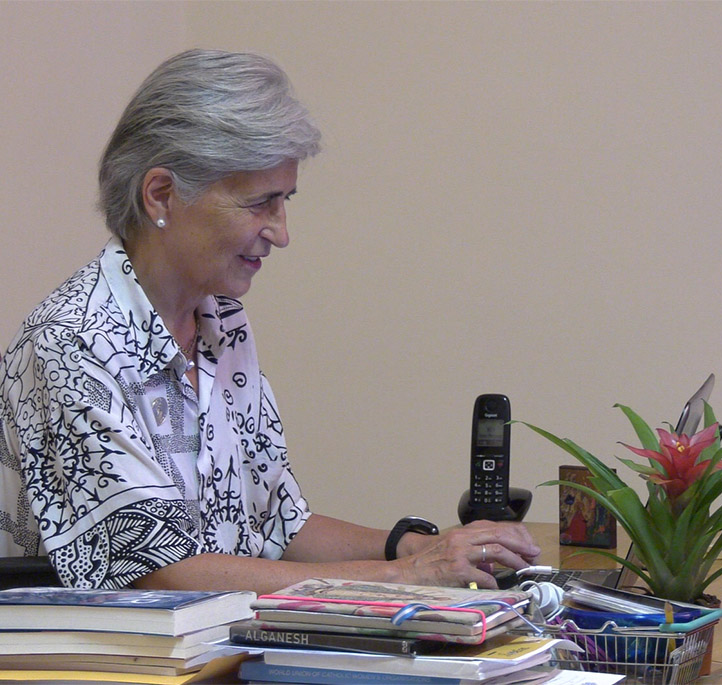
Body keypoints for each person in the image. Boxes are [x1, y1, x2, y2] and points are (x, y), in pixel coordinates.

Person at [0, 49, 539, 593]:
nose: (281, 233)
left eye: (285, 201)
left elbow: (276, 520)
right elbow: (156, 572)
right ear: (161, 195)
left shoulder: (221, 320)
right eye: (260, 204)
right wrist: (404, 575)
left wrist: (415, 544)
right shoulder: (72, 342)